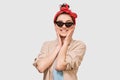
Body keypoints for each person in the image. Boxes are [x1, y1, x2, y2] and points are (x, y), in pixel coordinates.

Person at [33, 3, 86, 80]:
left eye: (68, 24)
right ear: (55, 25)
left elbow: (60, 66)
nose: (64, 26)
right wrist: (58, 46)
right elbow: (41, 68)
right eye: (60, 23)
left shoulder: (79, 45)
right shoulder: (47, 45)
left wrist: (66, 44)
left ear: (73, 26)